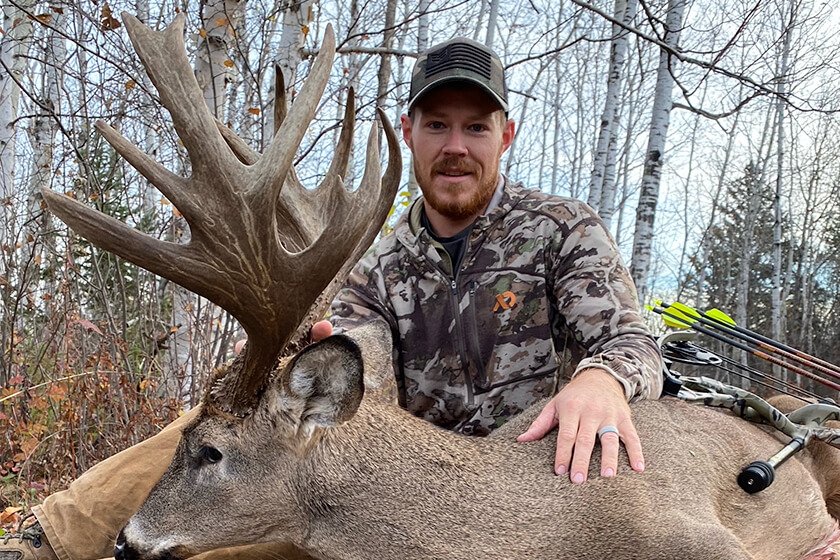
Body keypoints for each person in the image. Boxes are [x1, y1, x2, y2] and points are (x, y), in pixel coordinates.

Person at [0, 37, 662, 560]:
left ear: (506, 135)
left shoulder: (562, 229)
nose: (455, 147)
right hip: (401, 494)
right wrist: (278, 372)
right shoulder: (374, 266)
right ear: (410, 132)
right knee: (231, 422)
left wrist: (605, 377)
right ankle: (49, 542)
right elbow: (357, 378)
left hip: (529, 492)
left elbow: (631, 342)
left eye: (476, 127)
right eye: (437, 125)